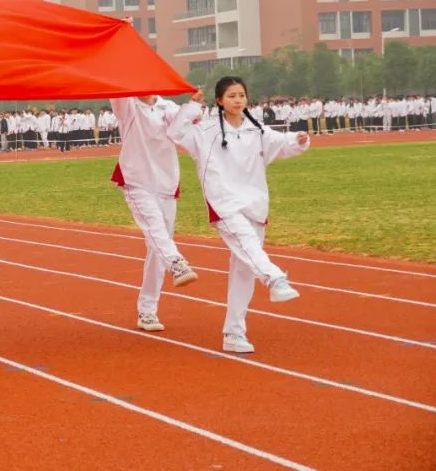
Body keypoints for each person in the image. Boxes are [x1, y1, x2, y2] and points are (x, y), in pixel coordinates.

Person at [168, 76, 309, 354]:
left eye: (241, 95)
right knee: (248, 243)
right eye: (231, 96)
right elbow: (175, 133)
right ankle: (275, 279)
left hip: (255, 203)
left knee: (244, 269)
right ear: (219, 101)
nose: (238, 100)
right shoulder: (206, 130)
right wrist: (192, 107)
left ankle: (233, 332)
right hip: (224, 202)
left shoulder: (256, 130)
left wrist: (299, 139)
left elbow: (282, 143)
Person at [109, 94, 199, 334]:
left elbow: (180, 129)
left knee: (158, 247)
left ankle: (147, 311)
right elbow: (116, 90)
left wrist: (193, 106)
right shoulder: (127, 105)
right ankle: (177, 263)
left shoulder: (167, 107)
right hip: (137, 182)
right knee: (155, 228)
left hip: (166, 183)